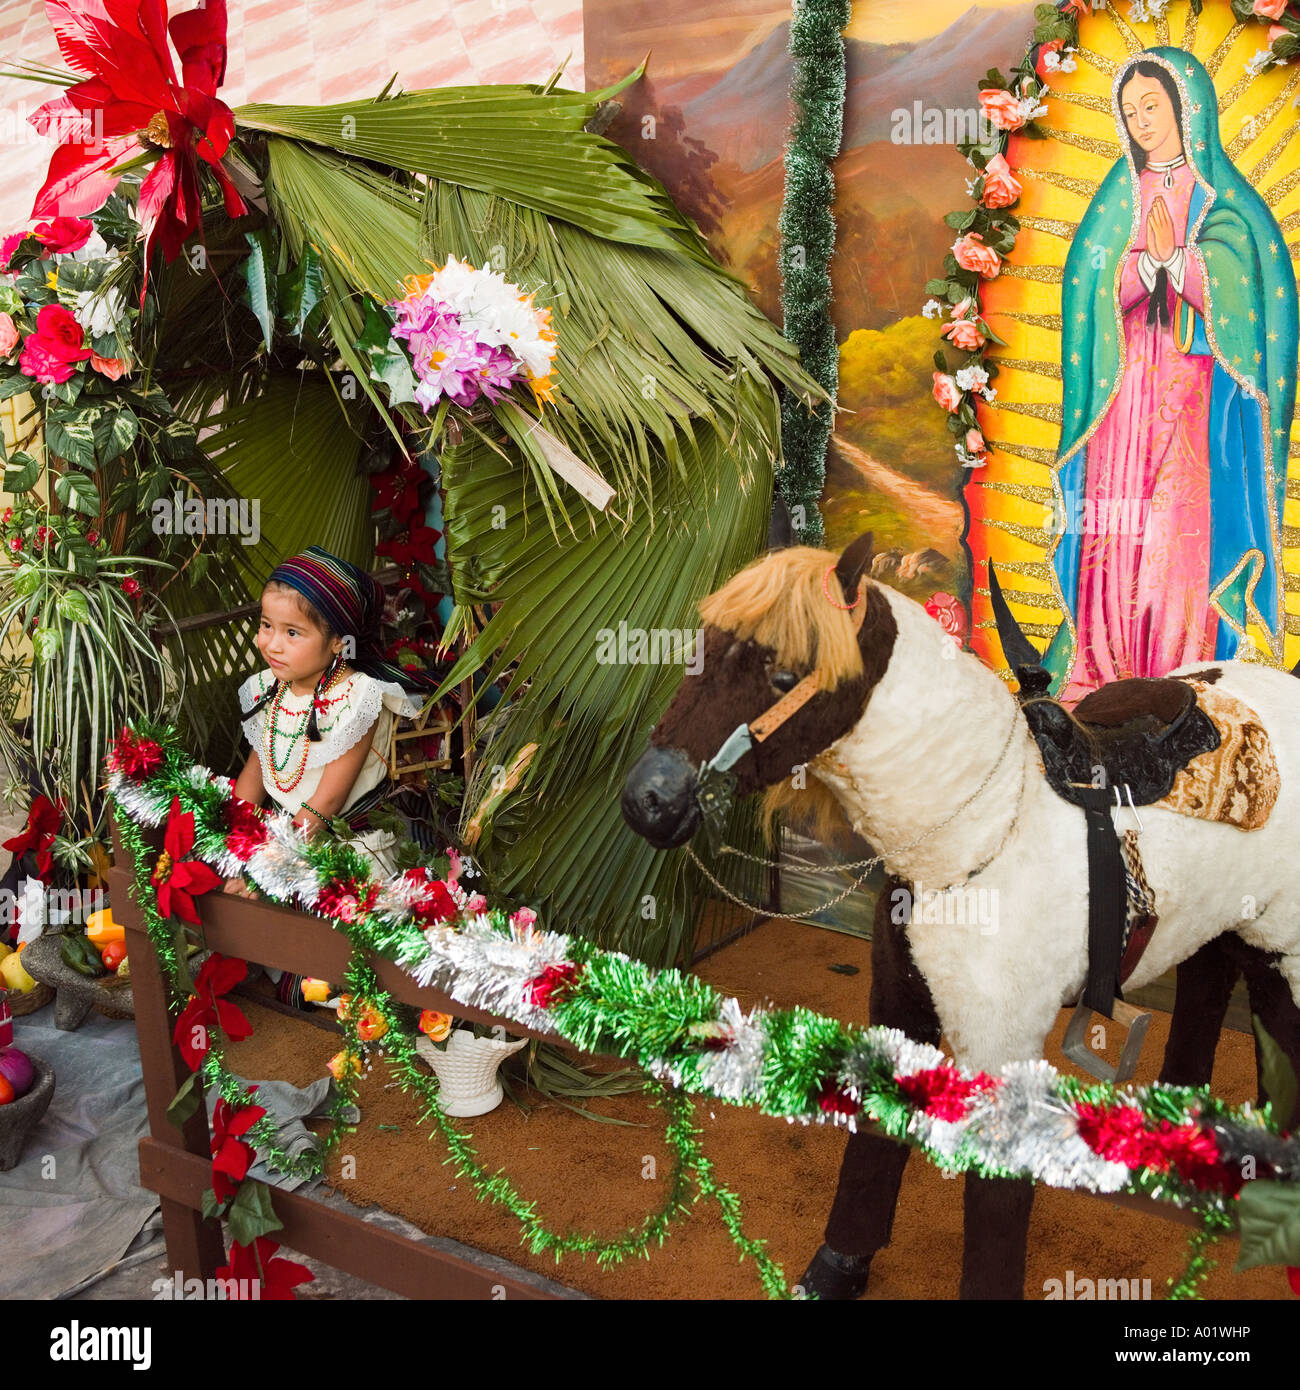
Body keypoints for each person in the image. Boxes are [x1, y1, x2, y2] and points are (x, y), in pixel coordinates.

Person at [1042, 48, 1297, 702]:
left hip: (1191, 395)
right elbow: (1088, 281)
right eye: (1130, 112)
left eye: (1152, 106)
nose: (1142, 121)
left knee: (1171, 532)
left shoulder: (1225, 202)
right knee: (1114, 529)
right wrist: (1143, 268)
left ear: (1187, 109)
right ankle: (1103, 670)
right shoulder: (1116, 197)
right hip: (1123, 395)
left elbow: (1245, 281)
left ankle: (1175, 674)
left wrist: (1181, 262)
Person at [224, 549, 443, 1000]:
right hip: (286, 843)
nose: (272, 644)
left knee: (344, 967)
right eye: (267, 626)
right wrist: (230, 846)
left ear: (339, 643)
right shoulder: (269, 689)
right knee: (245, 917)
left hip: (344, 850)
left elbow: (325, 803)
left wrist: (264, 869)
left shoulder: (357, 698)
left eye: (292, 633)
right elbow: (254, 775)